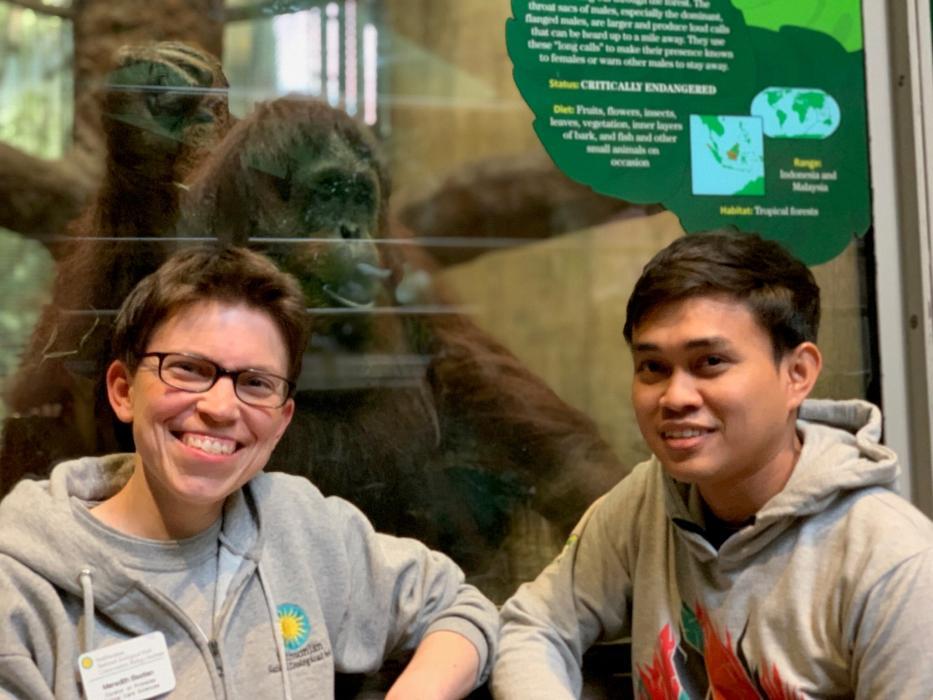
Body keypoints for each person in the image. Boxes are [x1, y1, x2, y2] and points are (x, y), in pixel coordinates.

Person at [0, 246, 496, 699]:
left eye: (255, 383)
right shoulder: (21, 587)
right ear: (124, 391)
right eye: (189, 369)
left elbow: (459, 606)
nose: (220, 407)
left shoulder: (302, 529)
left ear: (281, 422)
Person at [492, 231, 933, 699]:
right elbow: (534, 624)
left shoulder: (894, 563)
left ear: (797, 375)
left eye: (710, 362)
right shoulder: (646, 502)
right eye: (653, 368)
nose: (675, 397)